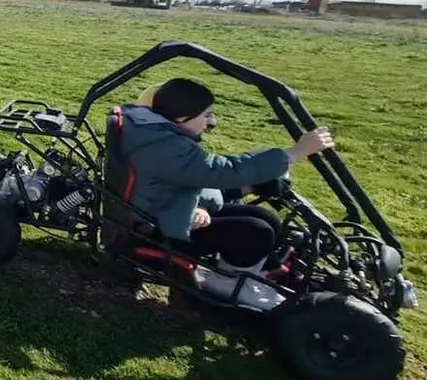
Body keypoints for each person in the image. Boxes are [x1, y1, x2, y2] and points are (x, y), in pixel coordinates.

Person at [116, 77, 334, 276]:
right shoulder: (167, 147)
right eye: (206, 116)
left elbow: (187, 178)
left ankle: (267, 266)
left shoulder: (149, 132)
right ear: (181, 117)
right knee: (256, 232)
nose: (211, 123)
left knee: (265, 219)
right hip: (161, 232)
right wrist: (295, 153)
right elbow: (222, 171)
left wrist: (242, 189)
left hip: (168, 212)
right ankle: (228, 283)